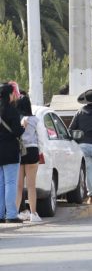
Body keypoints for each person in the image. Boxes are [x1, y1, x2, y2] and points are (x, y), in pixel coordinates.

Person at [0, 82, 25, 223]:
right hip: (10, 151)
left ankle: (0, 214)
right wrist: (23, 127)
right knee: (10, 183)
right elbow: (17, 132)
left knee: (0, 184)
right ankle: (11, 214)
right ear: (10, 95)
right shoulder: (12, 110)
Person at [15, 92, 41, 222]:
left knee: (18, 186)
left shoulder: (16, 120)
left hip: (19, 151)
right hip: (32, 150)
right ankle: (33, 214)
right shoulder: (35, 120)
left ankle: (14, 213)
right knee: (31, 186)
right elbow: (41, 137)